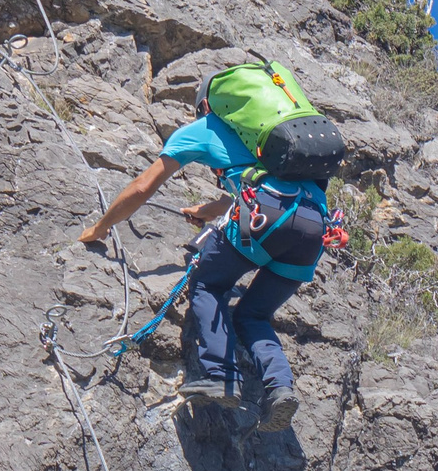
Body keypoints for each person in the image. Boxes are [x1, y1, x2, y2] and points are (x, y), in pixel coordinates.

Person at [75, 97, 332, 431]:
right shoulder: (272, 141)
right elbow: (261, 191)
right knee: (254, 315)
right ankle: (280, 388)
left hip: (267, 217)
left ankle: (222, 377)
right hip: (314, 227)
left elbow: (143, 186)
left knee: (209, 284)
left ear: (209, 103)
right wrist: (211, 210)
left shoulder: (205, 127)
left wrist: (101, 227)